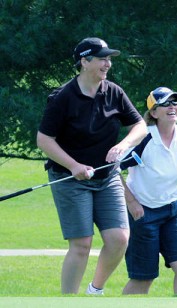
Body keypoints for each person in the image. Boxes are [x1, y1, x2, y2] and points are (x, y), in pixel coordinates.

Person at [37, 37, 148, 295]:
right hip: (70, 178)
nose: (108, 63)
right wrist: (74, 165)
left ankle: (94, 291)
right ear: (84, 62)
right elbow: (43, 139)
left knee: (119, 239)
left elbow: (140, 126)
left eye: (109, 59)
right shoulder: (63, 97)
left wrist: (124, 145)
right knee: (81, 244)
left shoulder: (114, 92)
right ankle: (68, 300)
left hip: (106, 177)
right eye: (102, 58)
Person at [120, 87, 177, 295]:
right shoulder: (143, 138)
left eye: (175, 102)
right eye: (165, 104)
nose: (172, 107)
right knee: (143, 279)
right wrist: (132, 203)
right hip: (143, 213)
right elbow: (113, 171)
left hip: (172, 211)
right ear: (154, 113)